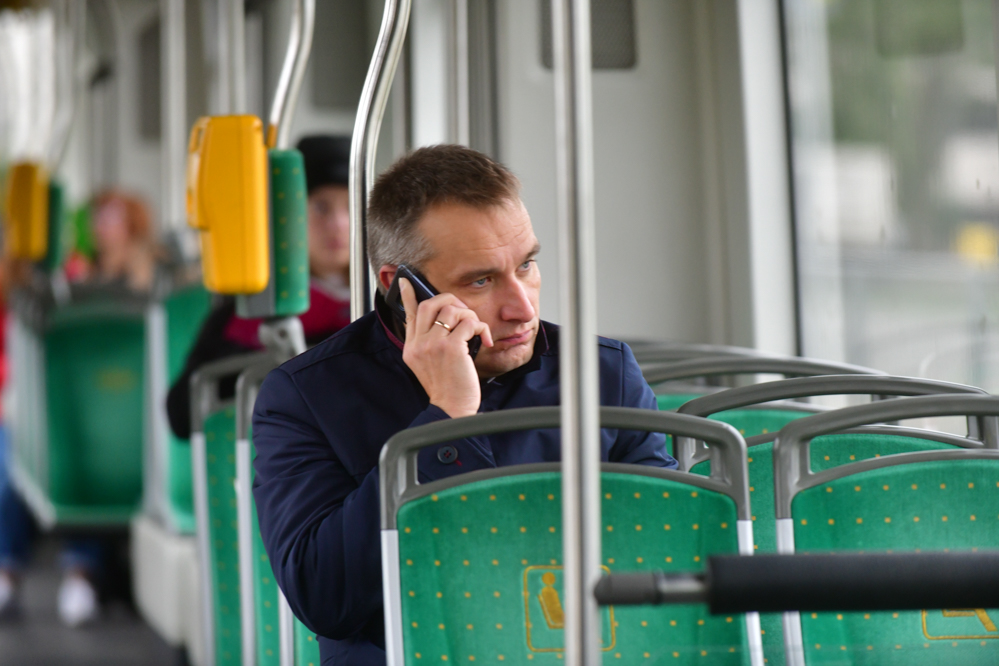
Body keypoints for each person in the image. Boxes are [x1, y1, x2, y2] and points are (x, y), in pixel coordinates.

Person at [251, 144, 676, 664]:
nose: (522, 308)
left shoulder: (603, 374)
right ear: (402, 288)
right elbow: (325, 598)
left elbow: (666, 544)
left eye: (527, 266)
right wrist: (445, 418)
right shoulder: (305, 397)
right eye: (481, 280)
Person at [166, 134, 353, 440]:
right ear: (290, 217)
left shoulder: (385, 306)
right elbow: (182, 415)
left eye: (350, 207)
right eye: (321, 207)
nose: (339, 223)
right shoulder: (248, 312)